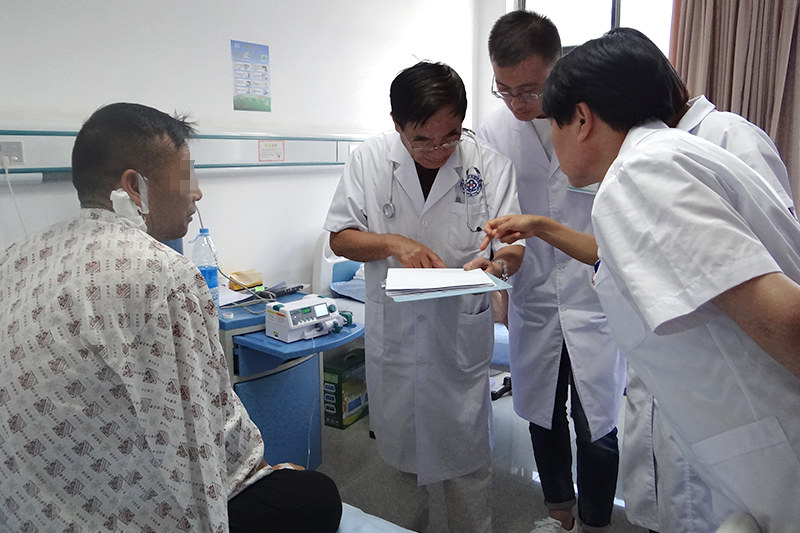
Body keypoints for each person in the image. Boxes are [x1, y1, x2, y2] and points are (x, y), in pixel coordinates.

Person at [484, 29, 800, 532]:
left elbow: (787, 317)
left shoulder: (640, 171)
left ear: (582, 119)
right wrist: (539, 226)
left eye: (553, 123)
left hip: (771, 450)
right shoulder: (664, 154)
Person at [0, 102, 342, 533]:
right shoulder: (162, 273)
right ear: (134, 186)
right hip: (127, 510)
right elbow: (203, 429)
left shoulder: (16, 256)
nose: (196, 193)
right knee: (315, 494)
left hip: (27, 505)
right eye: (186, 175)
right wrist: (267, 472)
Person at [324, 61, 525, 533]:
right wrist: (394, 243)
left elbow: (513, 246)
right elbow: (341, 237)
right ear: (398, 126)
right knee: (399, 469)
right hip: (397, 334)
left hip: (459, 335)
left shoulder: (490, 165)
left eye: (450, 136)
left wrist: (497, 266)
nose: (438, 150)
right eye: (423, 140)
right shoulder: (369, 160)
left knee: (468, 467)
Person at [477, 11, 626, 533]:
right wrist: (494, 261)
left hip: (594, 295)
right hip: (534, 292)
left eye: (530, 90)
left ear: (557, 68)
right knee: (542, 411)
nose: (517, 103)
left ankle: (596, 522)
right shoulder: (494, 128)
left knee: (597, 421)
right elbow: (489, 208)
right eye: (504, 90)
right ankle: (558, 512)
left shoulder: (597, 119)